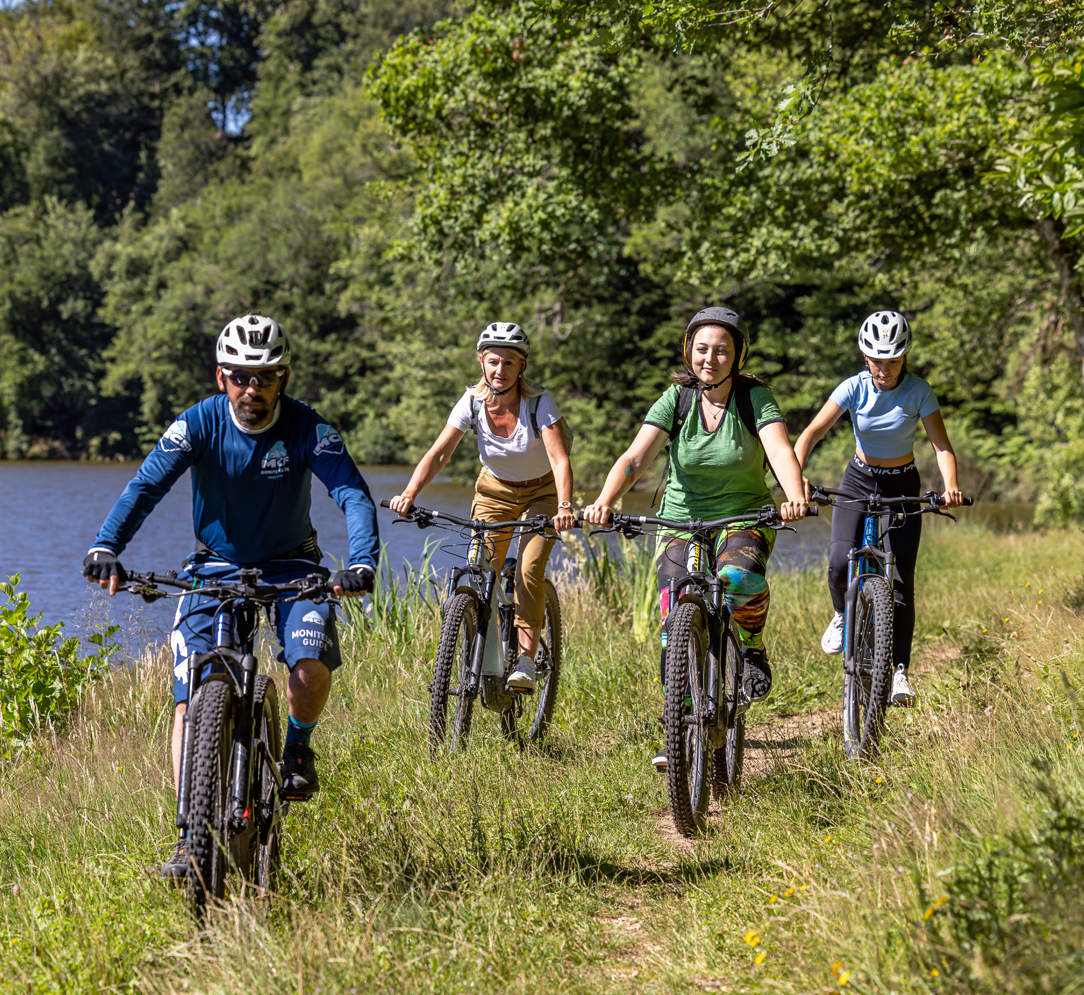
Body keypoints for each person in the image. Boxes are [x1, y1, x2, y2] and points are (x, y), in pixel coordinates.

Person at [83, 313, 380, 876]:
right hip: (213, 570)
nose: (253, 389)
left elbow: (353, 494)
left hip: (295, 567)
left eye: (265, 377)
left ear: (283, 378)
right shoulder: (196, 424)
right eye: (241, 377)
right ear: (222, 377)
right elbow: (145, 486)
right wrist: (105, 546)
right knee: (189, 697)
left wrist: (361, 561)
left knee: (309, 666)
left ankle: (297, 745)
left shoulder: (307, 428)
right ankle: (187, 836)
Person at [581, 307, 810, 766]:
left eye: (721, 350)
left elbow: (780, 449)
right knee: (673, 621)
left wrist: (794, 494)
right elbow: (634, 458)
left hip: (745, 515)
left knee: (738, 577)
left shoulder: (755, 398)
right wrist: (605, 499)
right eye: (702, 349)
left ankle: (751, 648)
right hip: (680, 519)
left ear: (737, 355)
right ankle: (678, 726)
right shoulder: (676, 398)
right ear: (689, 351)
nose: (710, 358)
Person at [388, 322, 576, 691]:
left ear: (521, 367)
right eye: (493, 362)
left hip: (543, 493)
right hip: (494, 491)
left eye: (509, 362)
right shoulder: (472, 402)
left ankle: (525, 661)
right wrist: (409, 493)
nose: (500, 370)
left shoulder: (538, 402)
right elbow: (440, 451)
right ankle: (483, 653)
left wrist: (565, 505)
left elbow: (560, 460)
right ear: (481, 362)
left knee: (528, 569)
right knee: (480, 569)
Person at [793, 310, 966, 707]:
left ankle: (899, 672)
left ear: (905, 356)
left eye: (892, 359)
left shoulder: (919, 391)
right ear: (864, 356)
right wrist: (795, 479)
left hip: (903, 483)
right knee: (839, 561)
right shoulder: (853, 388)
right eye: (876, 359)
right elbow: (812, 433)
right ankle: (841, 614)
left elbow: (941, 446)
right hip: (858, 478)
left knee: (902, 581)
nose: (883, 368)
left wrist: (951, 486)